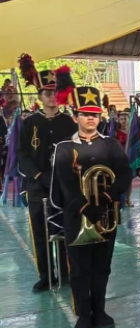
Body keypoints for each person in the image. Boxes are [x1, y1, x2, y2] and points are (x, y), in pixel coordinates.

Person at [50, 86, 132, 328]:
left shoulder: (111, 145)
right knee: (79, 269)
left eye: (94, 115)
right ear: (75, 117)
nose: (90, 119)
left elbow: (125, 173)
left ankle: (100, 310)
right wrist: (86, 207)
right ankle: (84, 315)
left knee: (102, 266)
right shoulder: (64, 148)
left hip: (105, 216)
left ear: (101, 117)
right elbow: (65, 184)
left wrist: (106, 198)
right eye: (85, 114)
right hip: (78, 218)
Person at [18, 62, 77, 293]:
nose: (52, 96)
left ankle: (64, 272)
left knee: (64, 228)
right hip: (37, 185)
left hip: (64, 186)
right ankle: (46, 275)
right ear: (40, 95)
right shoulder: (29, 122)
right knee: (40, 232)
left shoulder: (69, 122)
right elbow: (22, 155)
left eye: (55, 92)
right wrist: (39, 175)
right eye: (47, 93)